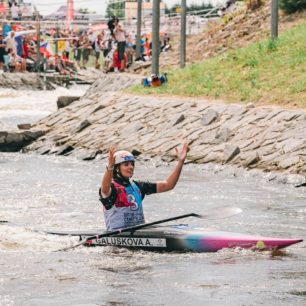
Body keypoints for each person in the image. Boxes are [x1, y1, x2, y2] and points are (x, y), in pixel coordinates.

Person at [99, 144, 188, 231]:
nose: (131, 167)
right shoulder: (111, 189)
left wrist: (180, 163)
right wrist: (110, 167)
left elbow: (168, 185)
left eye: (132, 164)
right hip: (117, 235)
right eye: (126, 164)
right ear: (117, 168)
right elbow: (105, 188)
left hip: (139, 233)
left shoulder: (138, 186)